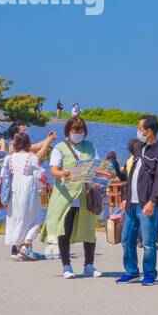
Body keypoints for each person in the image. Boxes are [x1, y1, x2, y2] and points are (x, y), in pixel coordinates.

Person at [42, 115, 101, 278]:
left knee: (88, 230)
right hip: (66, 196)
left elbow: (97, 165)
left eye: (81, 131)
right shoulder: (59, 148)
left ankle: (89, 265)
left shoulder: (90, 146)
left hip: (84, 194)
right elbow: (53, 170)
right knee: (64, 230)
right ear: (68, 130)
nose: (78, 133)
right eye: (75, 130)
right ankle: (66, 266)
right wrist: (62, 173)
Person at [118, 116, 158, 283]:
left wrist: (152, 201)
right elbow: (131, 175)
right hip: (131, 204)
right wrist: (125, 197)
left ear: (149, 131)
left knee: (148, 242)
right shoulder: (139, 150)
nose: (138, 131)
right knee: (126, 239)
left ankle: (149, 273)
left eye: (140, 128)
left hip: (146, 204)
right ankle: (131, 270)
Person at [0, 132, 46, 260]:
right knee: (35, 217)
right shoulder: (32, 158)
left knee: (17, 218)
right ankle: (26, 244)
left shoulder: (9, 158)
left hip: (14, 190)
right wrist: (41, 188)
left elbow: (4, 176)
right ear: (27, 144)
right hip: (29, 189)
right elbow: (39, 176)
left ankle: (19, 248)